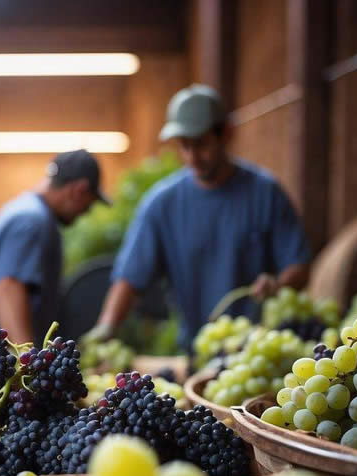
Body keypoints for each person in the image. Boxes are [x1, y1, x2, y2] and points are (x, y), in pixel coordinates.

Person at [85, 84, 311, 349]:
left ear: (226, 134)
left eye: (201, 144)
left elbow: (299, 266)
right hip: (196, 350)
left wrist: (279, 283)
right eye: (184, 146)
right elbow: (131, 277)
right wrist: (108, 326)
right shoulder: (162, 204)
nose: (192, 157)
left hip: (259, 348)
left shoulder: (265, 193)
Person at [0, 149, 107, 345]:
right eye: (89, 204)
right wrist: (26, 360)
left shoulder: (26, 210)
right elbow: (9, 286)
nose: (85, 212)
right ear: (79, 190)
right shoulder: (31, 221)